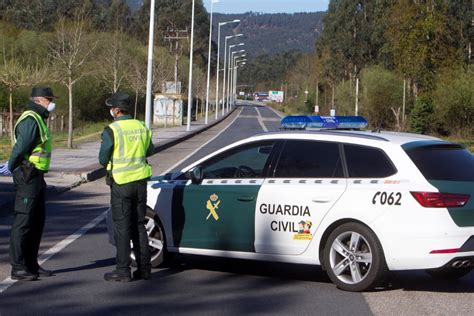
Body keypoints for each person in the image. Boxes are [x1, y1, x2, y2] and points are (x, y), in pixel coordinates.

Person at [99, 91, 154, 282]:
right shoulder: (141, 126)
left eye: (111, 108)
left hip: (121, 183)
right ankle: (145, 269)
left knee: (122, 228)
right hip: (140, 182)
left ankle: (123, 270)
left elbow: (102, 158)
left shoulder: (112, 130)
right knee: (139, 225)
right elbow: (150, 149)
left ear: (116, 110)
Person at [8, 87, 57, 281]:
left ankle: (31, 264)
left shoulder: (38, 118)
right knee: (23, 221)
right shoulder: (31, 118)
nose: (51, 103)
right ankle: (18, 266)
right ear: (39, 100)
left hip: (36, 176)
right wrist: (10, 166)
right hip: (27, 176)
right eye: (49, 99)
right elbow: (21, 147)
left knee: (36, 221)